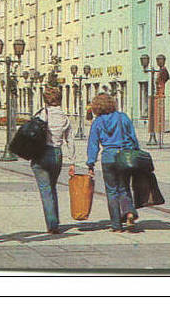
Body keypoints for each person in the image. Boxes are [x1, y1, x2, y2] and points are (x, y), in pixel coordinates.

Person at [85, 93, 139, 232]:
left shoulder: (97, 122)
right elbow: (133, 138)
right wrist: (136, 153)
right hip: (123, 156)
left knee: (111, 191)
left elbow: (93, 144)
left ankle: (116, 225)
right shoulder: (123, 117)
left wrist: (91, 163)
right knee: (124, 187)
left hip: (108, 158)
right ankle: (129, 212)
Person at [30, 86, 76, 234]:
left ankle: (52, 224)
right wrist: (72, 160)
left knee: (45, 189)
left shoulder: (43, 113)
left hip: (42, 153)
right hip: (57, 154)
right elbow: (70, 139)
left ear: (45, 100)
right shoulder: (64, 116)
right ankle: (55, 220)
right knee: (52, 187)